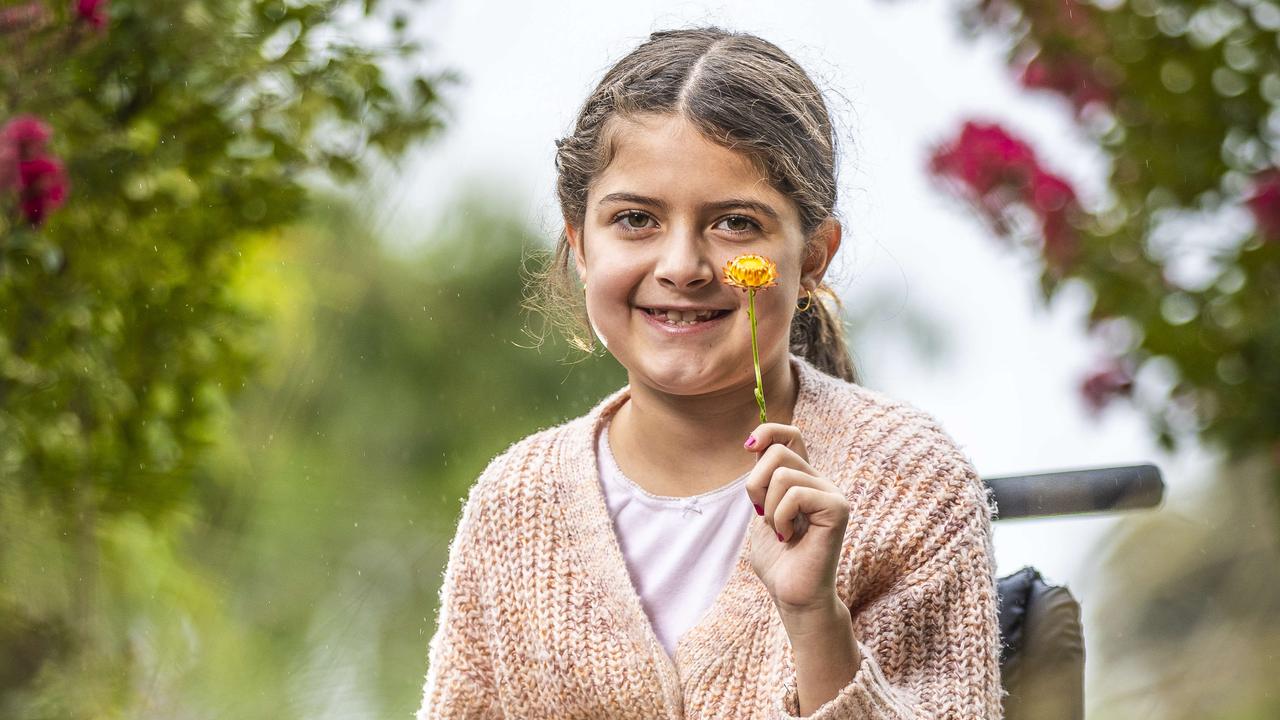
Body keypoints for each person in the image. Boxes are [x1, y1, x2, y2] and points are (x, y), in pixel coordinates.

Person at [416, 26, 1003, 719]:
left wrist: (815, 620)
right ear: (579, 242)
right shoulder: (516, 508)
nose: (683, 267)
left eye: (735, 225)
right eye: (635, 219)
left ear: (813, 255)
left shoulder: (913, 485)